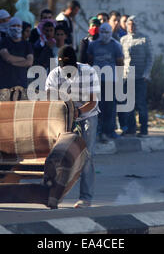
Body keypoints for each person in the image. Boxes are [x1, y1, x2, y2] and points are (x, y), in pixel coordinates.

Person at [45, 46, 100, 208]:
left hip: (87, 114)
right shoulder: (54, 75)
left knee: (86, 155)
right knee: (58, 154)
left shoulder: (88, 72)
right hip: (63, 114)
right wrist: (65, 114)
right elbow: (50, 101)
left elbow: (92, 102)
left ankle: (85, 198)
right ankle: (53, 195)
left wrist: (77, 112)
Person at [87, 22, 124, 142]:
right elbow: (90, 60)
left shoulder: (116, 45)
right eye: (102, 32)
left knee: (109, 107)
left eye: (107, 32)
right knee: (97, 106)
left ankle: (109, 131)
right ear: (99, 32)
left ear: (111, 33)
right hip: (96, 80)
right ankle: (97, 130)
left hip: (110, 80)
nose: (104, 35)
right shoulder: (93, 45)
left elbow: (120, 62)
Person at [120, 15, 154, 137]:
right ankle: (130, 128)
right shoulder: (123, 39)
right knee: (128, 104)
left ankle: (143, 129)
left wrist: (146, 74)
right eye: (129, 24)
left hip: (140, 77)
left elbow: (150, 58)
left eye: (133, 24)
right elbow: (121, 59)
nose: (131, 26)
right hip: (127, 76)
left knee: (141, 104)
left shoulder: (145, 39)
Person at [0, 17, 33, 89]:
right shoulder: (4, 42)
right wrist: (23, 59)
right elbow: (7, 58)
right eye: (13, 26)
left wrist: (13, 63)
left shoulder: (27, 44)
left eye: (18, 26)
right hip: (5, 83)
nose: (16, 28)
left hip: (21, 83)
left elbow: (29, 62)